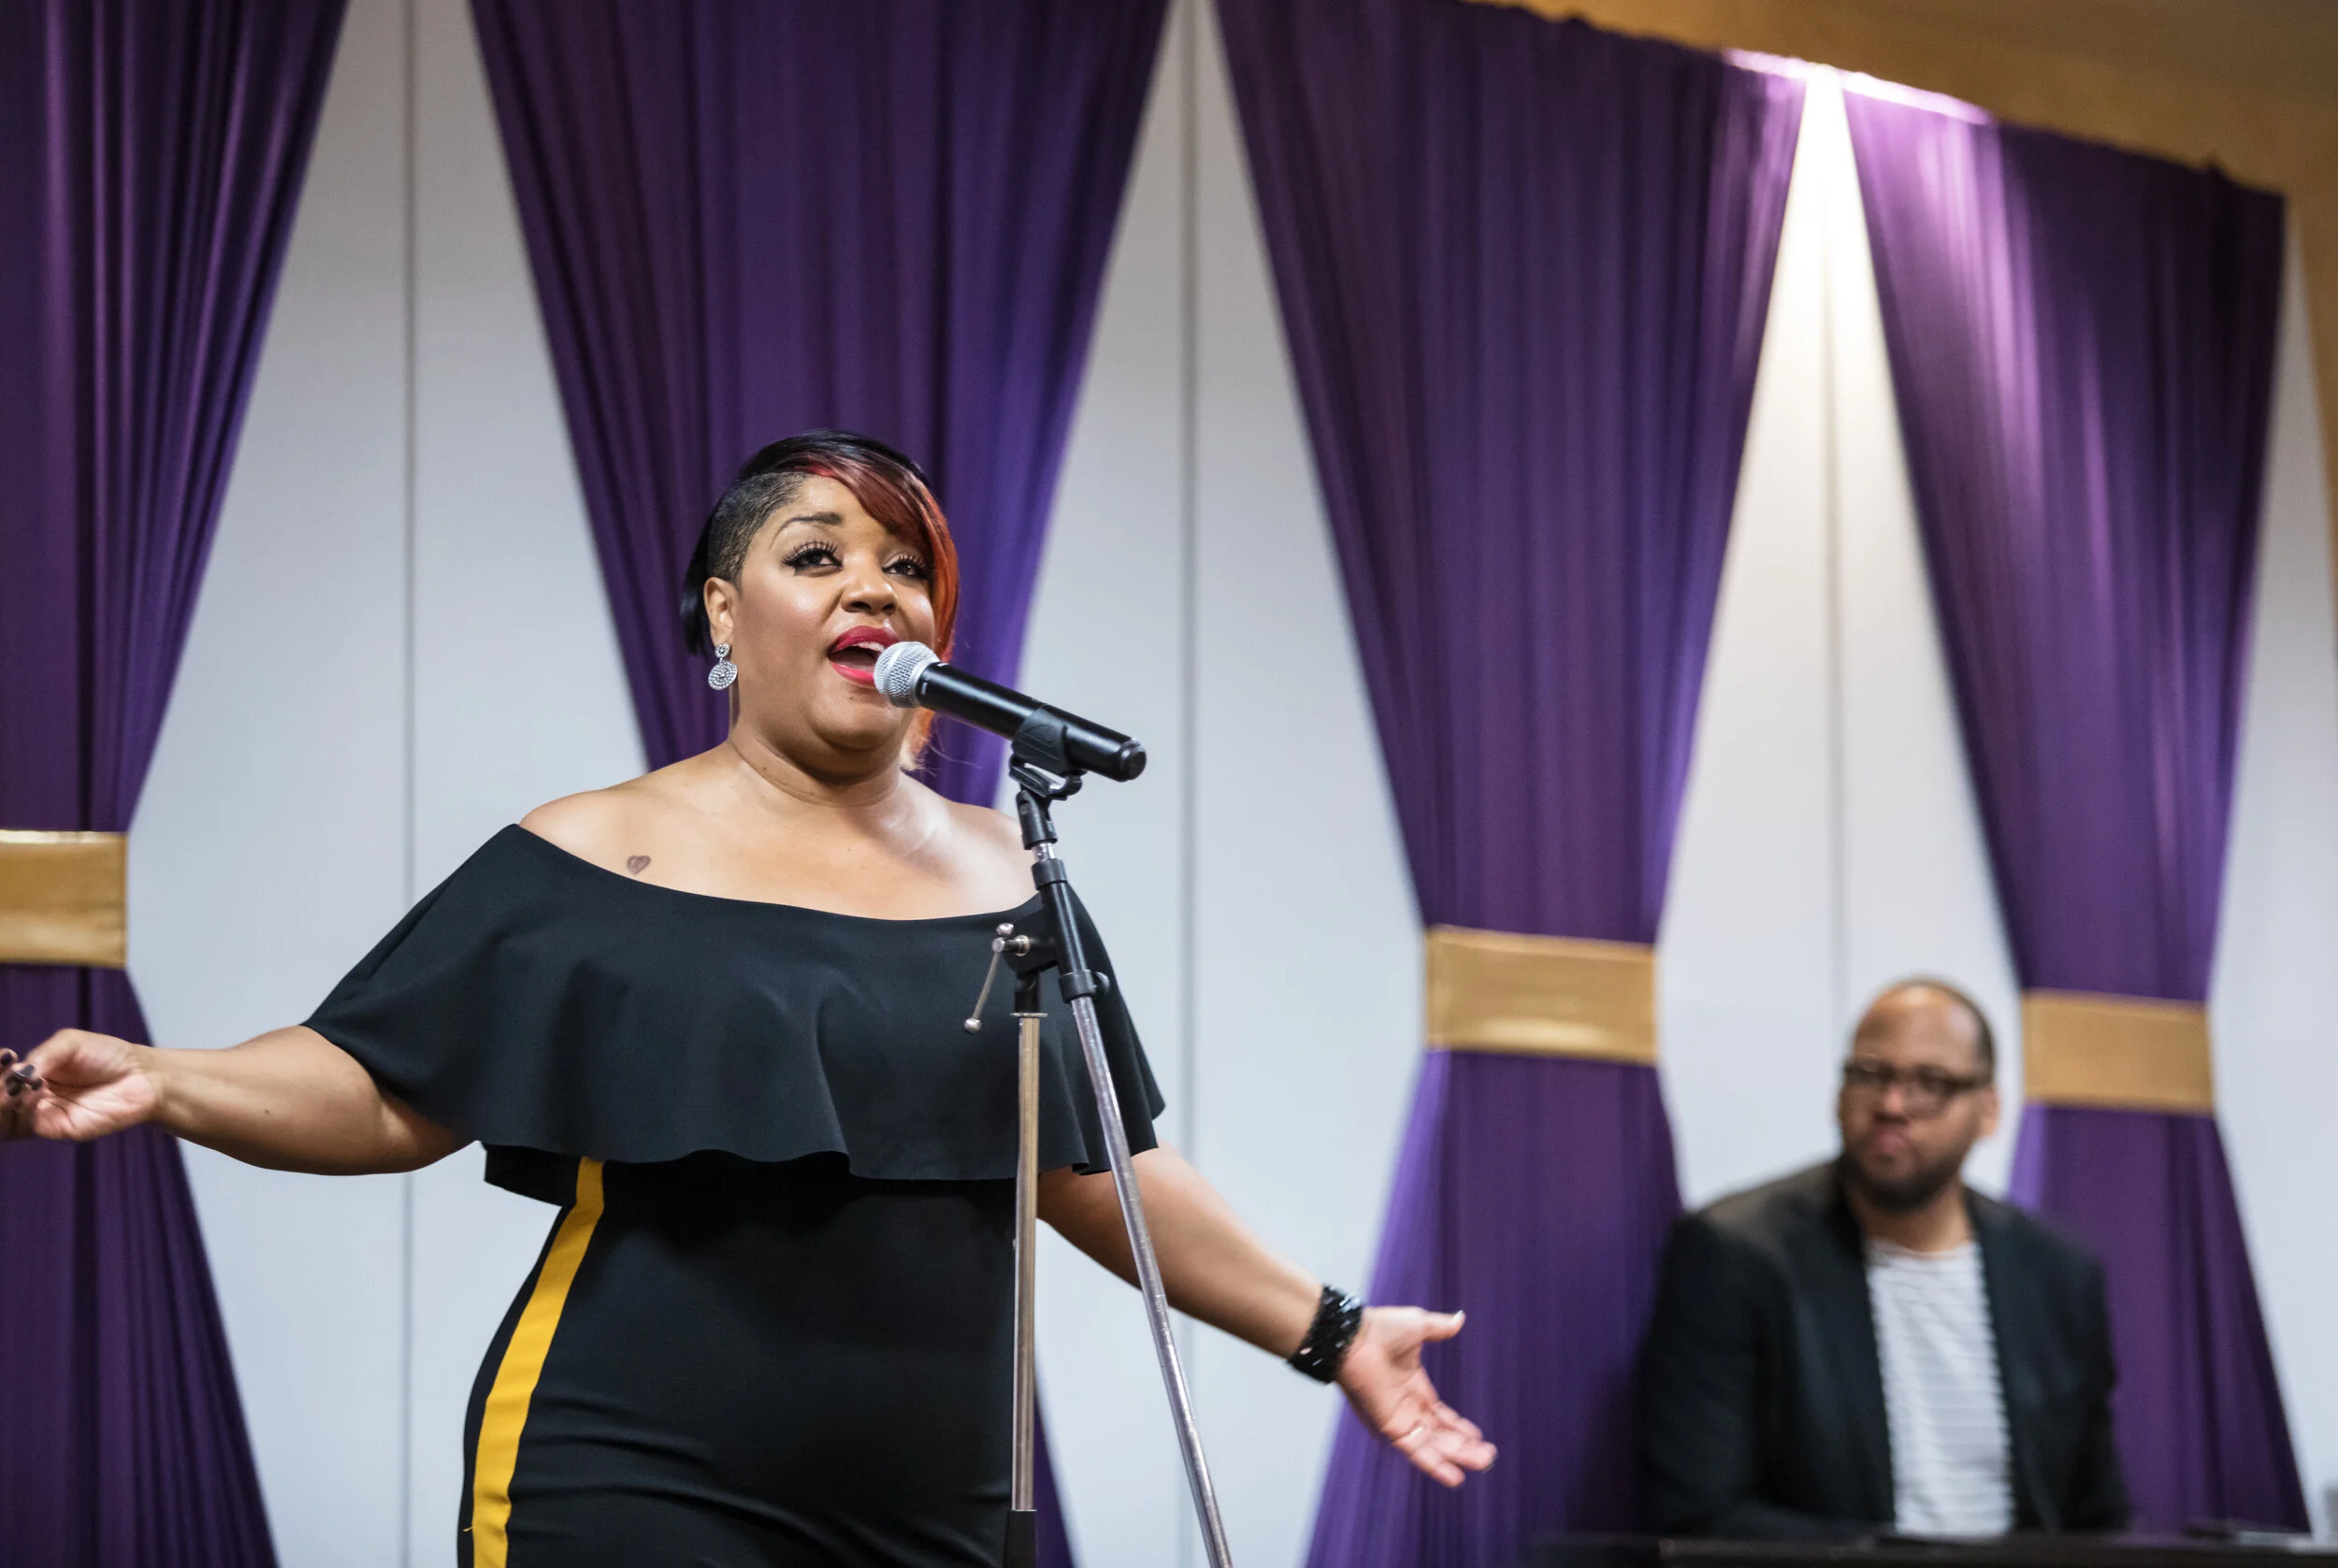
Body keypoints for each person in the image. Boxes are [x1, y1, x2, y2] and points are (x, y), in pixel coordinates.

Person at [3, 431, 1494, 1566]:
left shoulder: (1010, 872)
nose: (872, 586)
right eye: (816, 553)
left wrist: (1334, 1331)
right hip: (633, 1474)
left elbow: (1095, 1172)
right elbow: (384, 1083)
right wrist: (169, 1080)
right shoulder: (596, 848)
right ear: (726, 612)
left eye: (904, 565)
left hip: (941, 1502)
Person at [1638, 979, 2128, 1540]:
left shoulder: (2057, 1273)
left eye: (1930, 1083)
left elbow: (2098, 1517)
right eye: (1870, 1075)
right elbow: (1699, 1514)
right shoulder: (1737, 1254)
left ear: (1988, 1110)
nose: (1893, 1106)